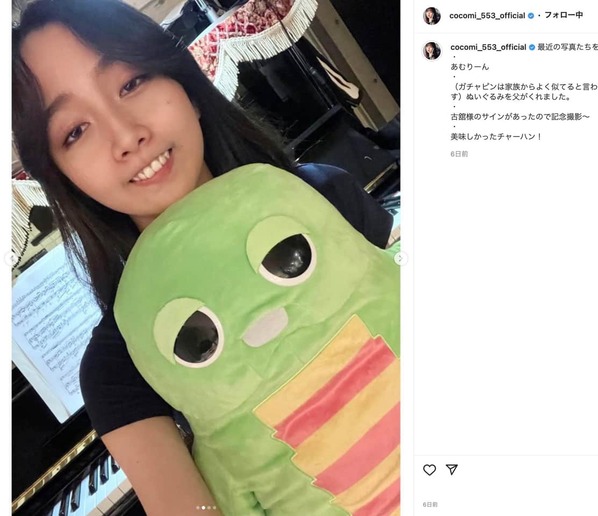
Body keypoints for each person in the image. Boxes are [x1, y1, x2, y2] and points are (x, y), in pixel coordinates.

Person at [11, 0, 393, 514]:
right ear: (64, 177)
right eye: (75, 131)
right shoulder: (115, 367)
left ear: (185, 86)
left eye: (131, 82)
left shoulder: (322, 197)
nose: (126, 136)